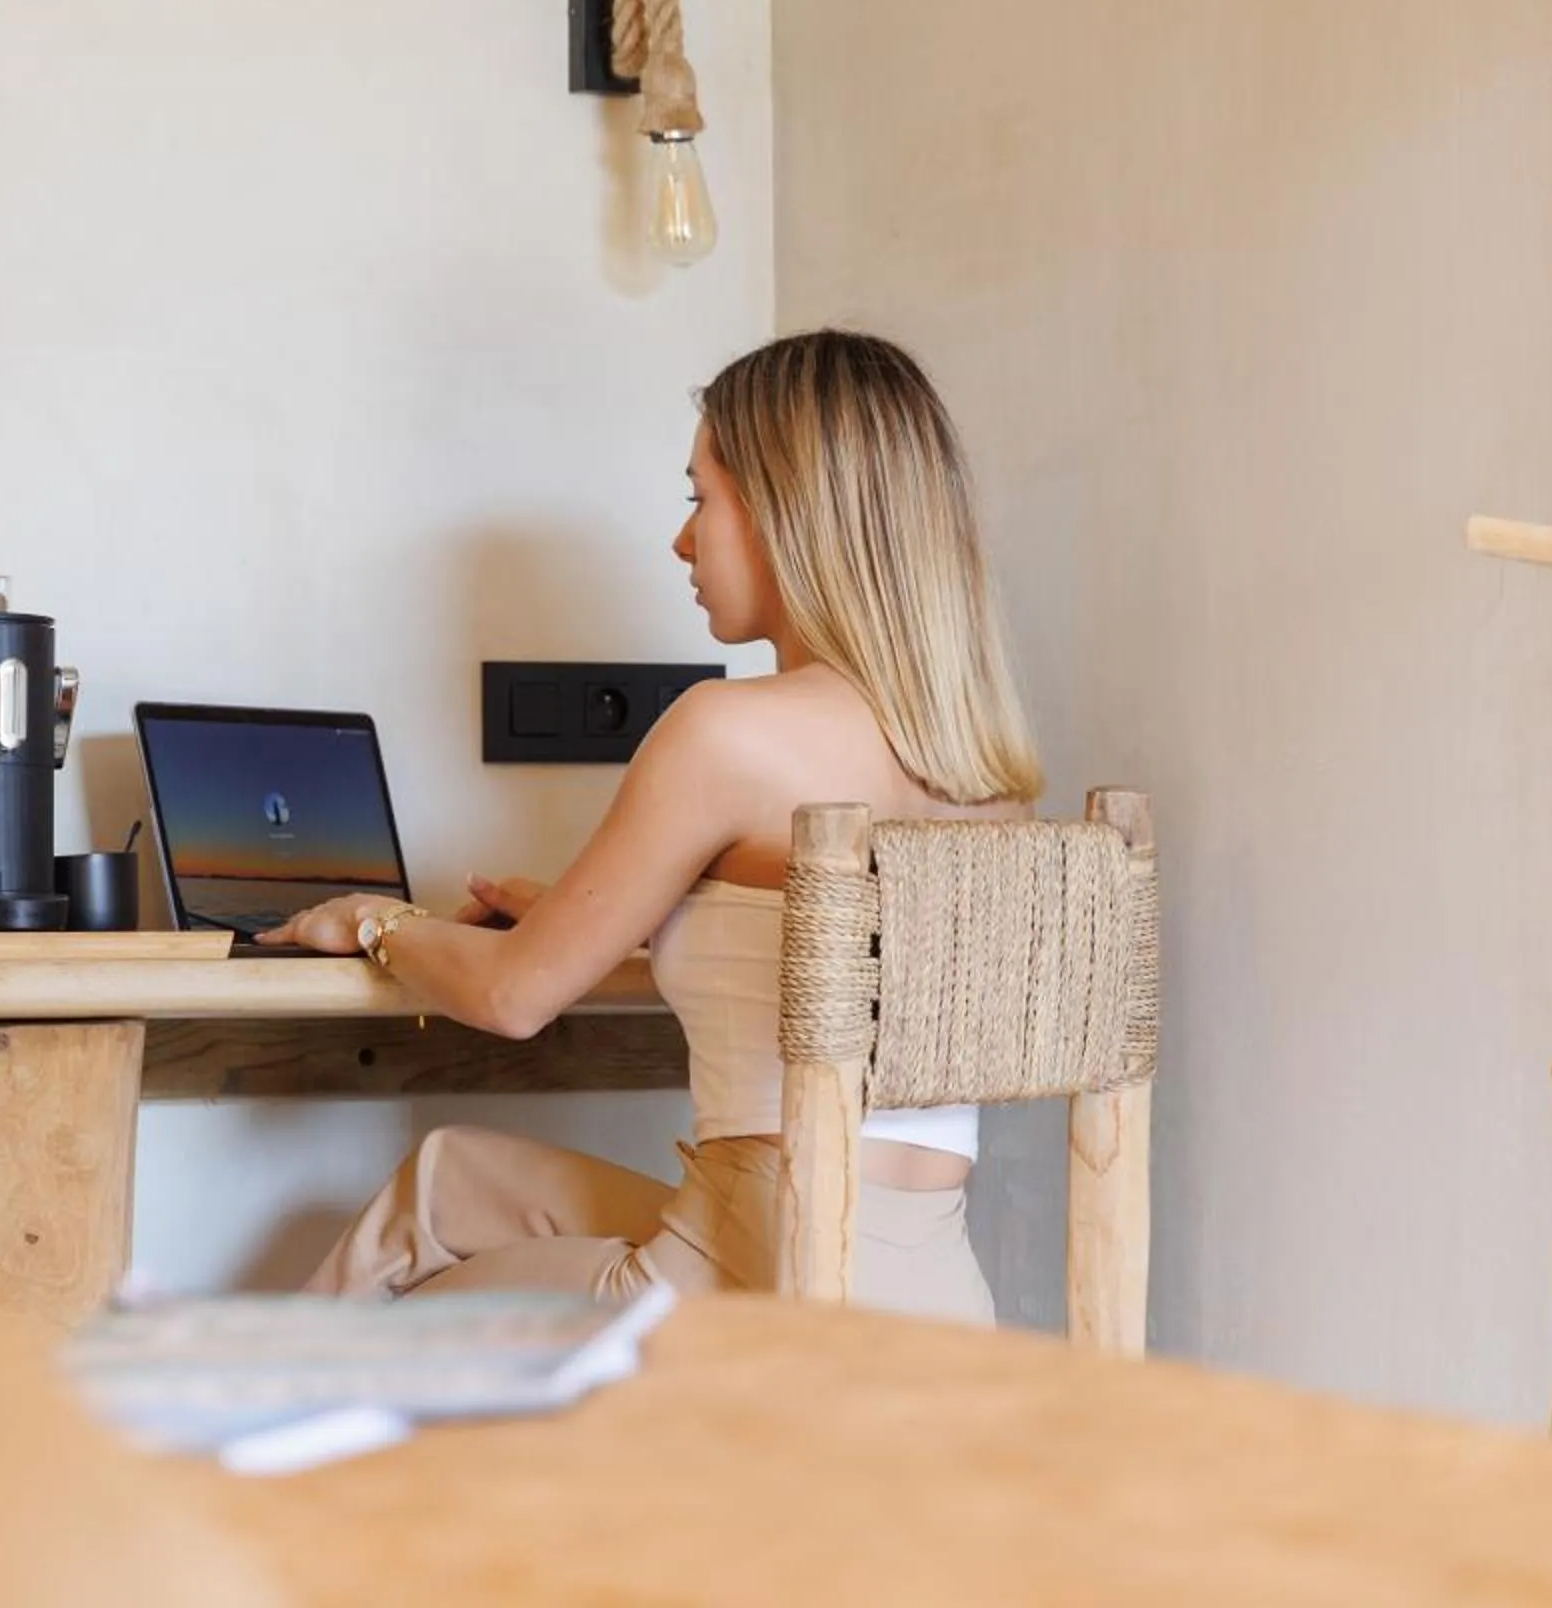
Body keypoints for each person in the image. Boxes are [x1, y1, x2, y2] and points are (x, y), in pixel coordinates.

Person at [263, 329, 1040, 1323]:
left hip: (760, 1287)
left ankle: (235, 1393)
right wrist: (617, 916)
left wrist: (375, 922)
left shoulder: (725, 731)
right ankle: (242, 1387)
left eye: (699, 499)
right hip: (930, 1291)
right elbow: (827, 963)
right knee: (446, 1177)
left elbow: (511, 996)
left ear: (787, 510)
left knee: (410, 1328)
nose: (681, 541)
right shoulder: (985, 772)